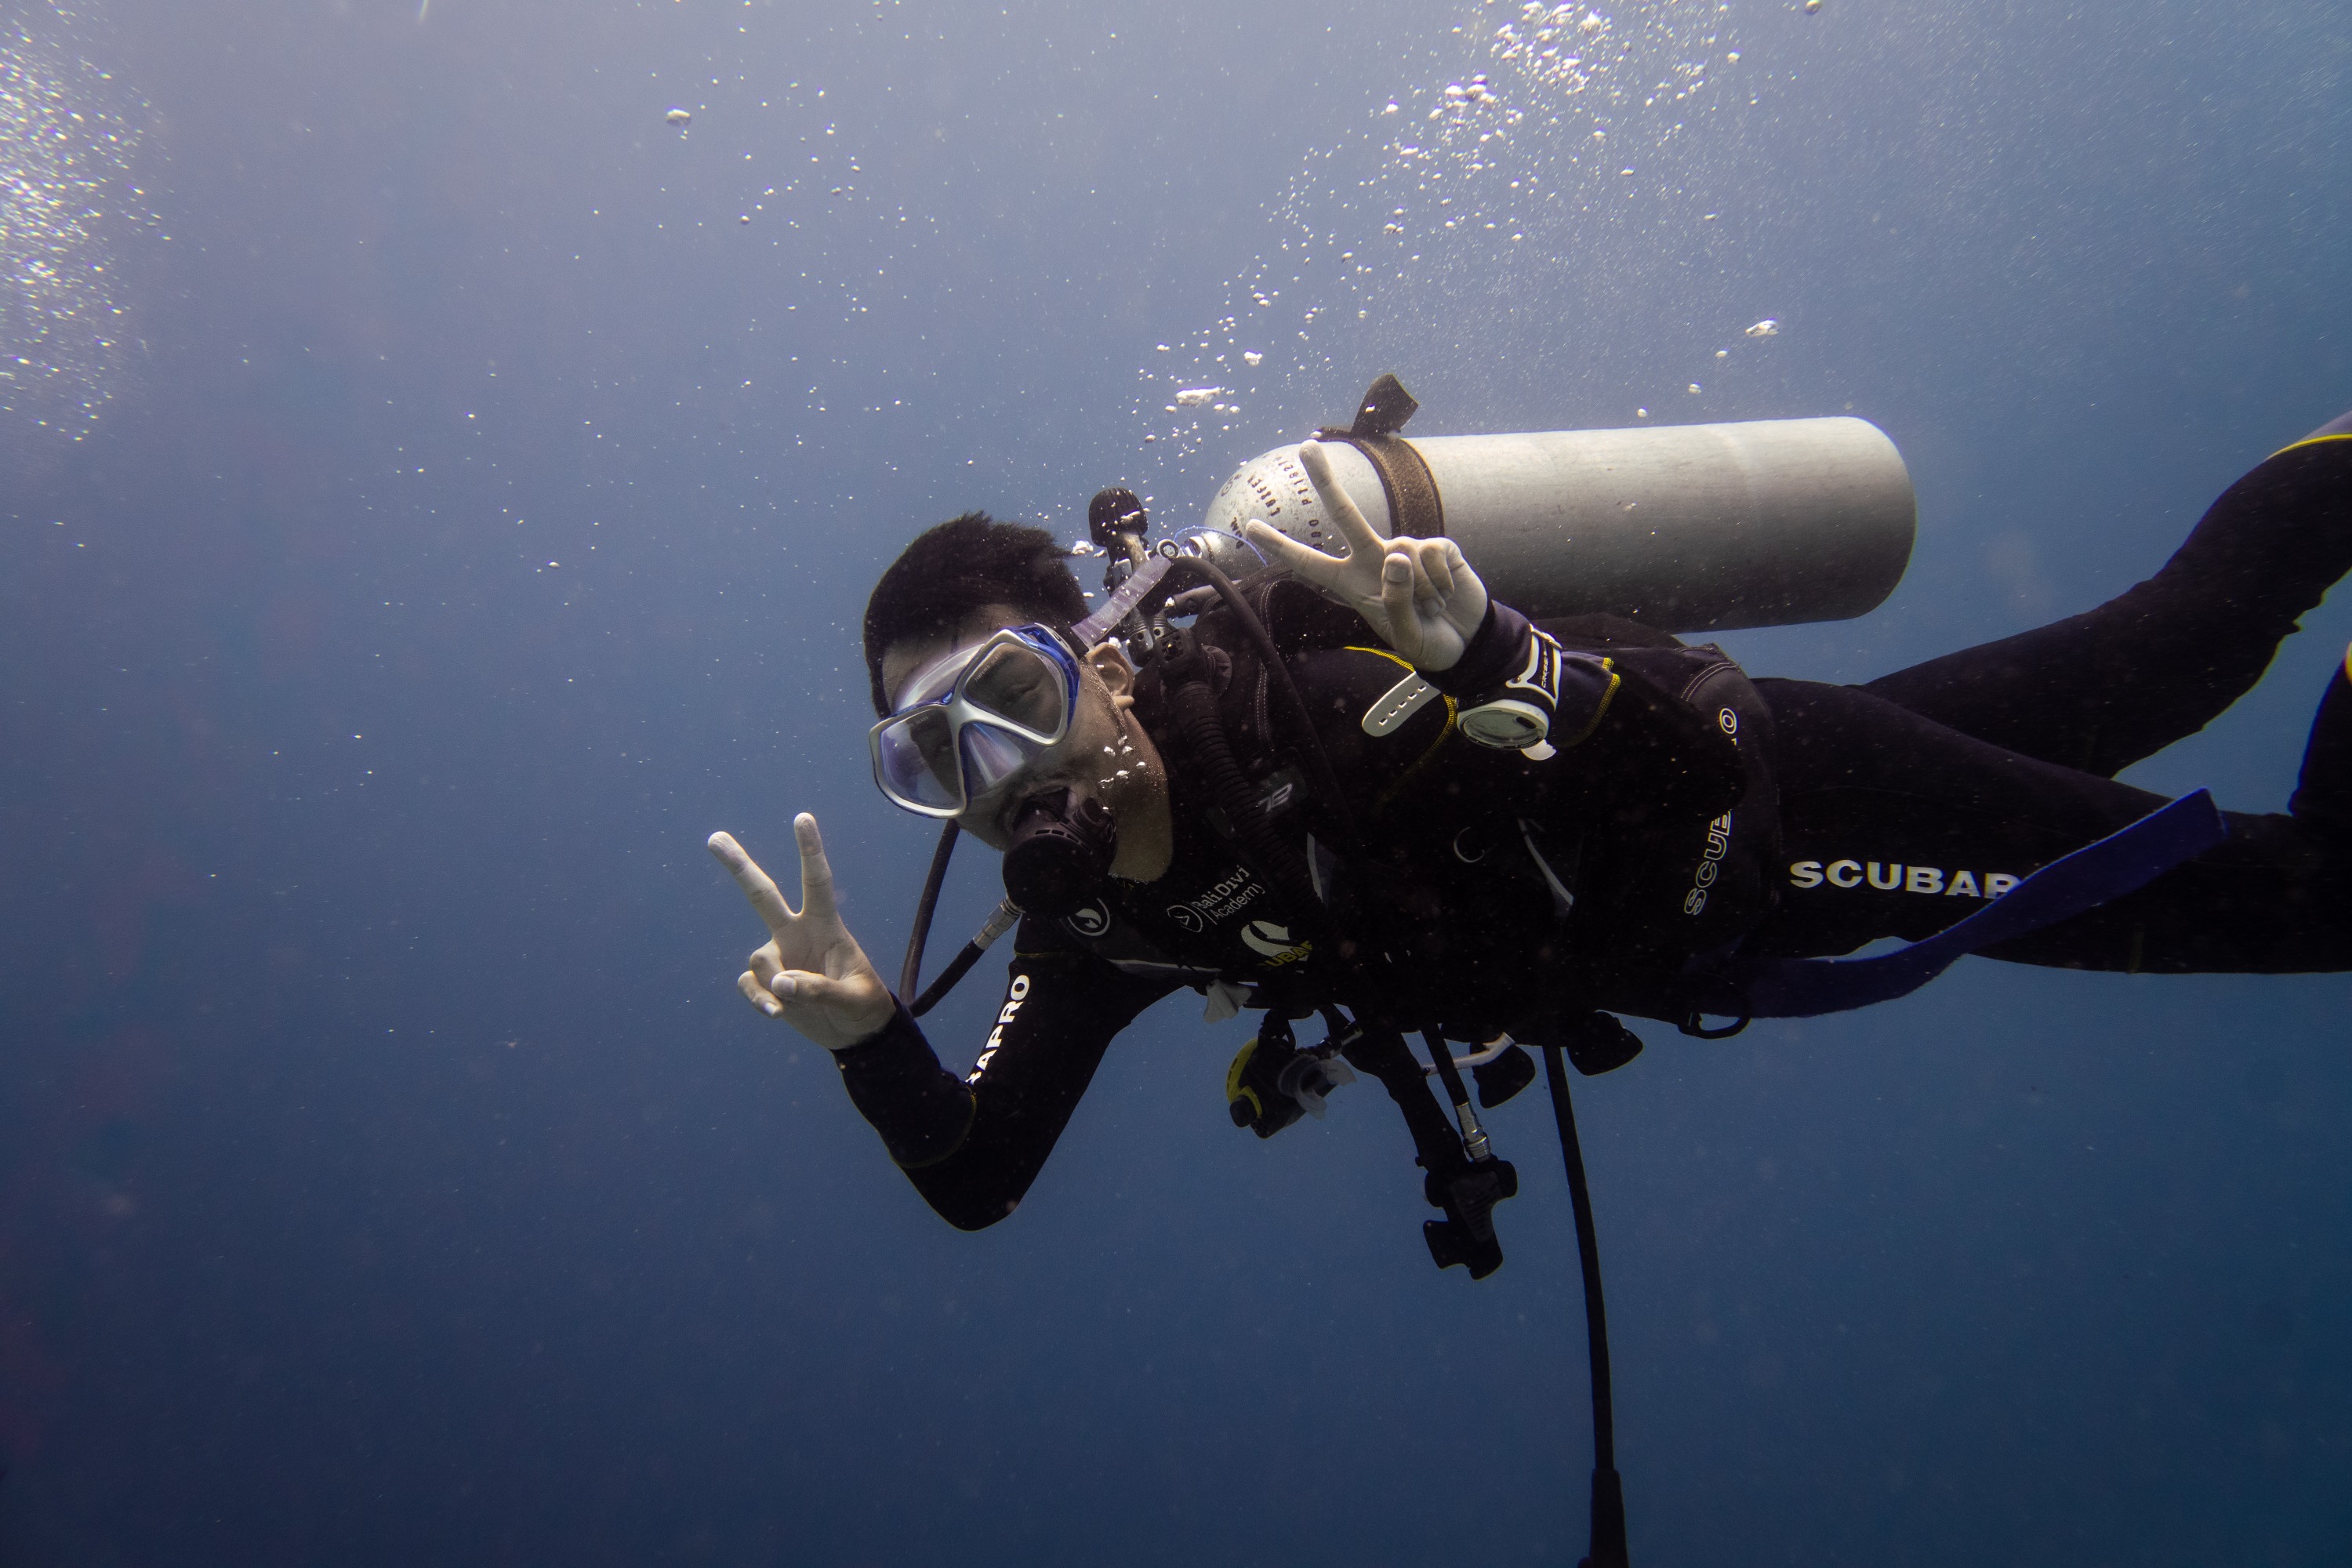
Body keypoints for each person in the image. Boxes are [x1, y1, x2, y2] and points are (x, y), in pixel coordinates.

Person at [707, 412, 2352, 1254]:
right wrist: (873, 1043)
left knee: (2318, 896)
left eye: (1010, 697)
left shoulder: (1310, 703)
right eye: (931, 757)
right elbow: (977, 1175)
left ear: (1107, 659)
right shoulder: (1095, 933)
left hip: (1796, 812)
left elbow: (1698, 779)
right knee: (2185, 641)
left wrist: (1496, 662)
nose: (995, 772)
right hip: (1744, 885)